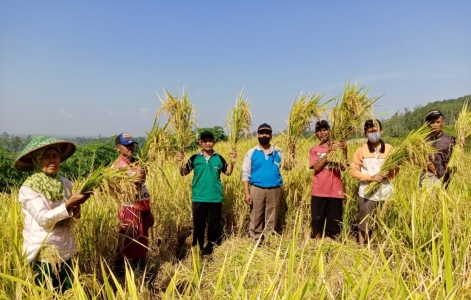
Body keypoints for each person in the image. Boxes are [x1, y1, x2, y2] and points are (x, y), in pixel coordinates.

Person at [14, 134, 90, 293]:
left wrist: (76, 208)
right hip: (43, 250)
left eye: (55, 156)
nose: (52, 160)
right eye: (46, 157)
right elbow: (43, 219)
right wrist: (68, 204)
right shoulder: (29, 188)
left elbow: (71, 214)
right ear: (36, 160)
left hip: (65, 247)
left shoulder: (65, 182)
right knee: (47, 292)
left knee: (69, 291)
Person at [176, 131, 236, 255]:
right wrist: (179, 162)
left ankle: (211, 250)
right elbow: (183, 173)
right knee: (199, 226)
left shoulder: (218, 158)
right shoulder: (194, 158)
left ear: (213, 142)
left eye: (210, 141)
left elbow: (228, 172)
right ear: (200, 143)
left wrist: (233, 160)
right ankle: (197, 250)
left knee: (214, 227)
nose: (208, 143)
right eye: (205, 141)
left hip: (215, 198)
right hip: (199, 198)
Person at [350, 120, 398, 245]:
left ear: (381, 131)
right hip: (367, 194)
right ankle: (361, 248)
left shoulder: (389, 149)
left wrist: (391, 172)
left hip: (386, 194)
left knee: (384, 222)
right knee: (364, 223)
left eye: (375, 131)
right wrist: (371, 178)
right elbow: (353, 171)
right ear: (365, 133)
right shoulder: (361, 150)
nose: (373, 133)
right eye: (370, 131)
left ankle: (380, 247)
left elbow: (396, 170)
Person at [112, 133, 154, 277]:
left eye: (132, 144)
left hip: (142, 209)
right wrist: (140, 175)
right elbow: (134, 186)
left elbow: (143, 189)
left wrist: (149, 210)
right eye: (127, 145)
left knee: (141, 242)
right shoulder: (118, 167)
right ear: (118, 148)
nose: (131, 147)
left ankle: (140, 272)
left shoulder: (135, 163)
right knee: (129, 243)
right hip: (129, 210)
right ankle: (123, 275)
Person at [241, 123, 286, 242]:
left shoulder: (278, 152)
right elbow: (245, 173)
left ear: (271, 135)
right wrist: (247, 193)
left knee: (272, 217)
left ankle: (268, 241)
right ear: (257, 135)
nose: (264, 135)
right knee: (256, 216)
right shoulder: (251, 152)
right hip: (257, 189)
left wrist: (292, 154)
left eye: (267, 132)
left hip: (274, 189)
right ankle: (255, 240)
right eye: (262, 133)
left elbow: (288, 167)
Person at [309, 120, 347, 240]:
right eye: (319, 131)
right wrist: (329, 153)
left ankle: (332, 247)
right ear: (316, 134)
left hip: (335, 192)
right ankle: (316, 246)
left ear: (329, 131)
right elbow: (316, 167)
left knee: (334, 224)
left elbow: (343, 167)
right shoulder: (314, 149)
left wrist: (345, 151)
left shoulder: (338, 147)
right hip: (319, 191)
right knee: (317, 222)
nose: (322, 132)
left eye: (325, 129)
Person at [420, 110, 455, 188]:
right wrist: (429, 164)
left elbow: (456, 158)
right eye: (432, 122)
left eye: (438, 122)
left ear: (443, 123)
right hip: (428, 177)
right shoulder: (422, 141)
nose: (435, 125)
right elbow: (415, 158)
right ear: (427, 124)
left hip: (447, 178)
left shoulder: (451, 140)